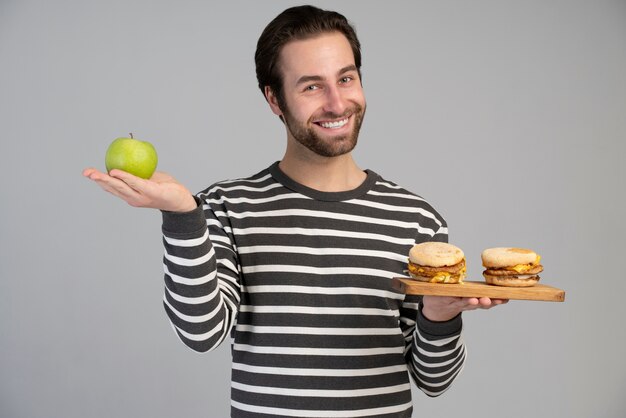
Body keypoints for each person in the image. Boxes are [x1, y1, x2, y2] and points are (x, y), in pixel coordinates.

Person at [84, 5, 506, 417]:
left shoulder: (417, 220)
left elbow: (434, 380)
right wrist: (180, 215)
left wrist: (440, 315)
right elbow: (201, 332)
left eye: (346, 78)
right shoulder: (227, 207)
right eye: (311, 86)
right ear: (274, 99)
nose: (337, 103)